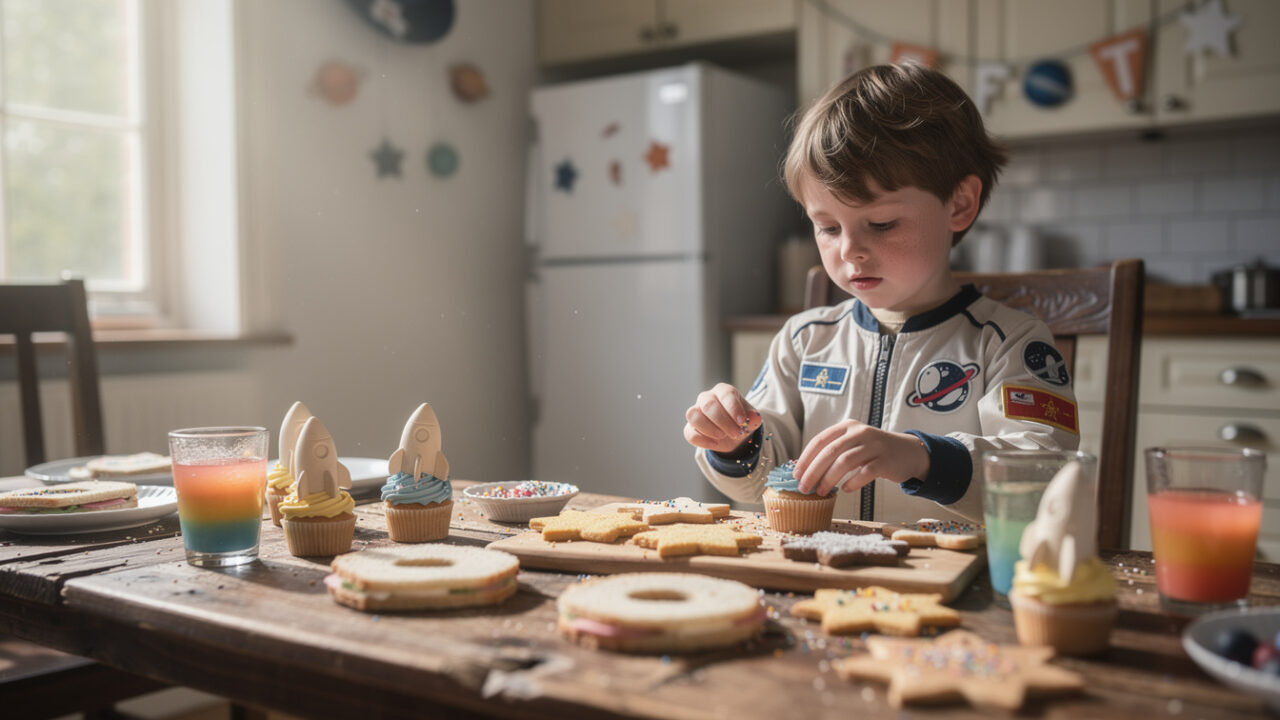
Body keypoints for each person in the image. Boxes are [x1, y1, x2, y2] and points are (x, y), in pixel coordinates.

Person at [683, 63, 1079, 524]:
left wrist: (920, 458)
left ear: (960, 204)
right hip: (826, 585)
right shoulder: (804, 340)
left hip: (959, 586)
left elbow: (1046, 476)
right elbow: (759, 482)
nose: (850, 250)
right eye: (828, 227)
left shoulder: (1011, 343)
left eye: (881, 224)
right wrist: (737, 442)